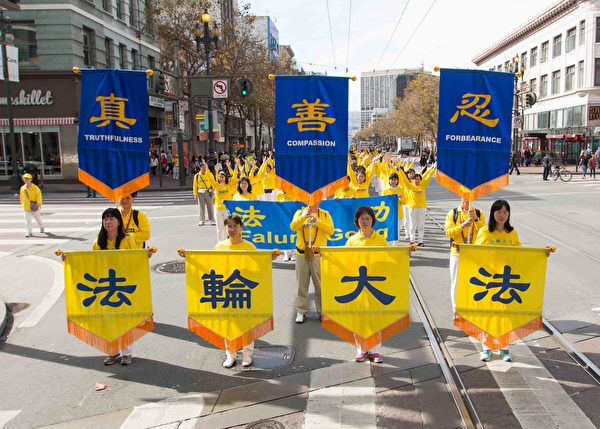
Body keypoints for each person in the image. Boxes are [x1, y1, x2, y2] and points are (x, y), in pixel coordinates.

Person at [474, 199, 521, 363]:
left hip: (505, 280)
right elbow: (475, 252)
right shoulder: (484, 231)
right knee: (488, 314)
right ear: (492, 213)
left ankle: (504, 347)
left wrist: (542, 254)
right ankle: (486, 348)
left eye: (505, 212)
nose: (502, 215)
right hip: (488, 279)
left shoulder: (512, 232)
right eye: (499, 212)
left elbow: (521, 254)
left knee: (504, 314)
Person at [93, 208, 137, 365]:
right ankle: (111, 352)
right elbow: (90, 263)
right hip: (105, 286)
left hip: (122, 285)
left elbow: (135, 261)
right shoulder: (98, 243)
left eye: (111, 218)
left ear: (119, 221)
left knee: (124, 320)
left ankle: (126, 352)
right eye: (105, 218)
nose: (107, 222)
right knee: (108, 321)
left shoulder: (127, 240)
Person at [345, 206, 388, 363]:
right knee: (360, 318)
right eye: (362, 219)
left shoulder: (381, 240)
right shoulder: (351, 241)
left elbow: (389, 260)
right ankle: (362, 349)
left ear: (373, 220)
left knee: (375, 318)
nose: (365, 221)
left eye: (368, 218)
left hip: (376, 285)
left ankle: (375, 350)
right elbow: (344, 261)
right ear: (357, 221)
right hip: (358, 285)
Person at [290, 203, 334, 323]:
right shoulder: (299, 213)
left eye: (315, 198)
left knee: (319, 285)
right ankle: (301, 311)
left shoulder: (325, 214)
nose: (312, 202)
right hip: (301, 254)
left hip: (318, 255)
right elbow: (293, 227)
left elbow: (331, 230)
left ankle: (321, 310)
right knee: (301, 284)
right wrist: (304, 216)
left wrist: (317, 221)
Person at [444, 196, 486, 314]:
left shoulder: (478, 213)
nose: (467, 201)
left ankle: (470, 308)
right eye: (464, 198)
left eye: (469, 198)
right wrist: (462, 225)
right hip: (457, 253)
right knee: (456, 282)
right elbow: (448, 232)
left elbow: (485, 232)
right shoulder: (453, 213)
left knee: (474, 282)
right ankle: (456, 310)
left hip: (473, 253)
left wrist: (476, 220)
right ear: (461, 197)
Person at [399, 166, 436, 246]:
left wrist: (433, 169)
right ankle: (412, 240)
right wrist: (400, 170)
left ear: (420, 180)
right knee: (413, 225)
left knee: (421, 225)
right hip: (412, 208)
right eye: (415, 179)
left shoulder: (423, 185)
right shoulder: (409, 186)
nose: (417, 180)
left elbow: (428, 176)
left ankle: (420, 241)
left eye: (418, 179)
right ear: (412, 180)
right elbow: (404, 179)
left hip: (422, 208)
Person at [202, 160, 238, 241]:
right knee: (219, 228)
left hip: (226, 210)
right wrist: (207, 168)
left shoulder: (229, 186)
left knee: (227, 227)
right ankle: (220, 243)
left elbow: (235, 176)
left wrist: (233, 167)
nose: (221, 178)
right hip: (218, 210)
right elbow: (210, 178)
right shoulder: (216, 186)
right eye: (220, 177)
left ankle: (226, 241)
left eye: (222, 177)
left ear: (225, 178)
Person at [382, 173, 405, 246]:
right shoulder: (386, 190)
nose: (393, 181)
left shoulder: (400, 189)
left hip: (398, 213)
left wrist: (400, 198)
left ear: (397, 180)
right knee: (390, 230)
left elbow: (404, 202)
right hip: (389, 213)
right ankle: (389, 246)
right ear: (389, 180)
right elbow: (383, 202)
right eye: (391, 179)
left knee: (397, 231)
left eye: (395, 179)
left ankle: (395, 246)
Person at [20, 173, 45, 238]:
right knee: (27, 220)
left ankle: (41, 226)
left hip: (34, 206)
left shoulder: (35, 187)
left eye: (27, 178)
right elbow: (21, 197)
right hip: (26, 207)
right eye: (24, 178)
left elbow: (39, 196)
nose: (25, 179)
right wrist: (22, 204)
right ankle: (29, 232)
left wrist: (38, 204)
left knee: (38, 219)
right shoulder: (22, 188)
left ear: (31, 179)